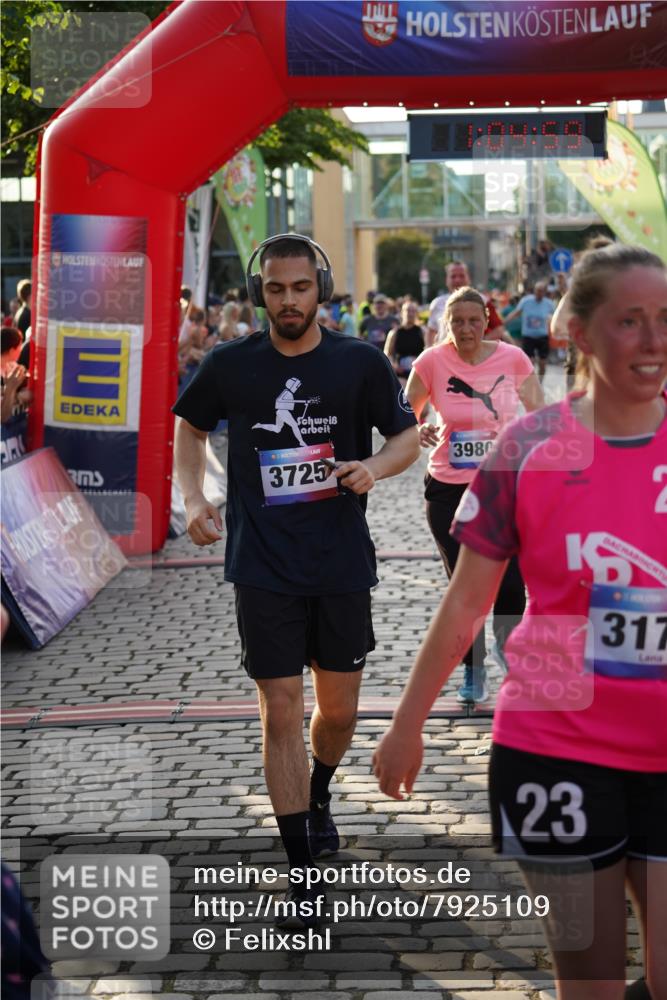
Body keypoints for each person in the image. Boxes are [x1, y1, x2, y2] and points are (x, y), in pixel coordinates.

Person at [374, 243, 667, 998]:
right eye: (629, 320)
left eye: (665, 319)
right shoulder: (529, 449)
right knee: (592, 984)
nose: (653, 339)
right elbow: (465, 602)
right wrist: (407, 725)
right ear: (578, 331)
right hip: (555, 748)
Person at [173, 233, 419, 926]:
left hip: (340, 561)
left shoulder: (359, 361)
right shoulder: (229, 363)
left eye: (300, 288)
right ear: (261, 292)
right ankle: (302, 874)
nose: (288, 300)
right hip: (262, 563)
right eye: (276, 288)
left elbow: (405, 436)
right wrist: (193, 498)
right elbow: (189, 429)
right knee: (279, 708)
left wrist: (374, 467)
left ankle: (319, 790)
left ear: (321, 290)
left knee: (337, 712)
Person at [406, 286, 543, 702]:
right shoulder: (431, 361)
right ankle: (473, 669)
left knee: (511, 581)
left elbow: (540, 415)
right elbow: (403, 414)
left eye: (473, 320)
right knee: (464, 589)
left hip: (502, 486)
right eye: (457, 321)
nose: (465, 329)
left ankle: (507, 647)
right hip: (448, 488)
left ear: (486, 322)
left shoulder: (512, 359)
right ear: (446, 324)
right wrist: (419, 428)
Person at [427, 261, 509, 347]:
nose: (457, 280)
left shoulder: (482, 300)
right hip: (444, 353)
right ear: (446, 280)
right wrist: (428, 349)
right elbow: (431, 331)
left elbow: (499, 329)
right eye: (453, 276)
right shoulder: (437, 303)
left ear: (468, 278)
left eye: (461, 276)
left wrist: (478, 344)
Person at [504, 280, 556, 382]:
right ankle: (531, 383)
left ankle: (540, 382)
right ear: (534, 291)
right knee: (530, 362)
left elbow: (555, 317)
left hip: (542, 336)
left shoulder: (549, 304)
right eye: (537, 290)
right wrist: (504, 322)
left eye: (541, 291)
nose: (539, 293)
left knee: (542, 363)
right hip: (528, 336)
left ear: (545, 292)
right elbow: (516, 313)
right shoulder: (526, 301)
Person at [383, 300, 425, 384]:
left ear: (416, 314)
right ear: (402, 313)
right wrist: (394, 365)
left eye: (413, 311)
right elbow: (387, 354)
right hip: (400, 373)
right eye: (408, 310)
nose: (410, 314)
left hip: (418, 372)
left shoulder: (422, 332)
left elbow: (428, 350)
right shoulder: (394, 333)